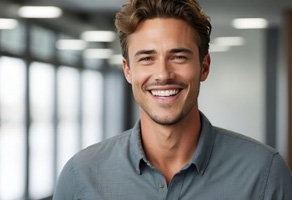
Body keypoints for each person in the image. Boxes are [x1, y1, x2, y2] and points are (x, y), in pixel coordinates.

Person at [53, 0, 292, 199]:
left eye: (178, 57)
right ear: (127, 70)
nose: (163, 74)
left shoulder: (264, 173)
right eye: (147, 58)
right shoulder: (81, 176)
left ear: (204, 66)